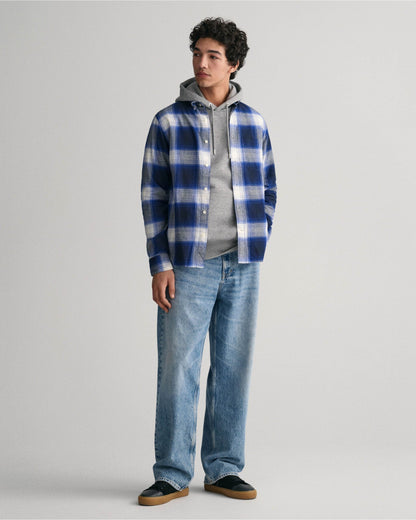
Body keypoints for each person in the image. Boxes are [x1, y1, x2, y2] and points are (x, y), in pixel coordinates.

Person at [138, 17, 277, 506]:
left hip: (242, 264)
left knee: (233, 367)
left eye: (213, 55)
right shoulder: (167, 122)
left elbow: (269, 187)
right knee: (178, 369)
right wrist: (160, 262)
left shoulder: (254, 122)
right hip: (187, 265)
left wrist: (257, 236)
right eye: (197, 53)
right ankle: (172, 474)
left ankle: (223, 468)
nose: (202, 63)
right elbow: (153, 195)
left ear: (233, 64)